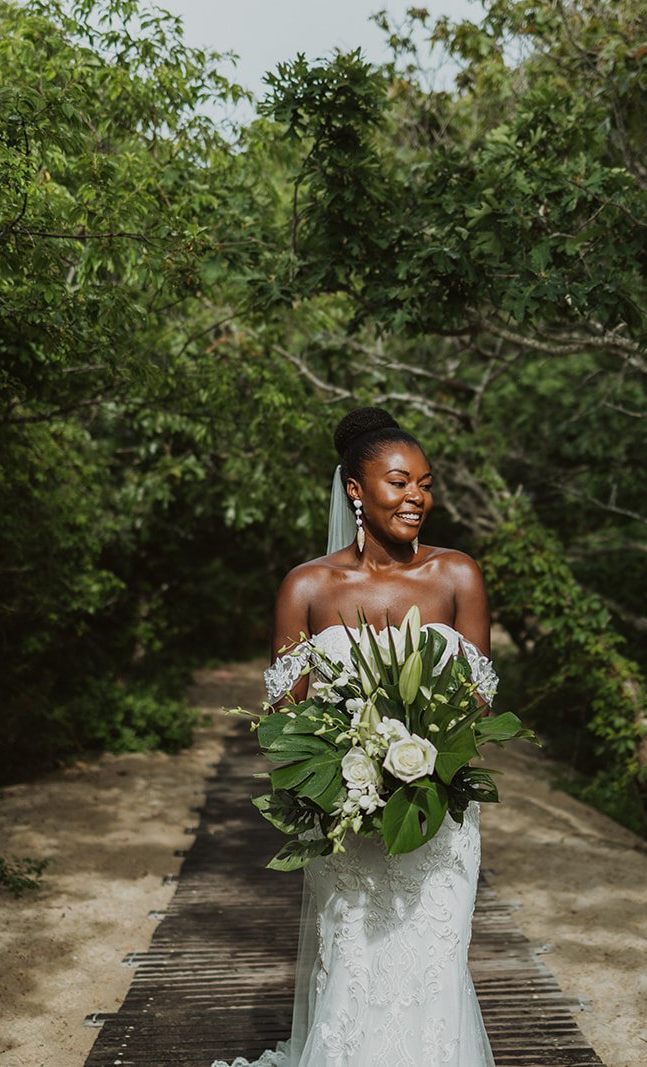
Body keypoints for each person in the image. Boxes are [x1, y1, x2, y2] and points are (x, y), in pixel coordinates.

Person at [213, 407, 498, 1067]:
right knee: (353, 959)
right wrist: (350, 769)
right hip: (345, 813)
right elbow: (284, 718)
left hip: (439, 812)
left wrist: (422, 762)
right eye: (399, 482)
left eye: (425, 482)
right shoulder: (308, 586)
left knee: (433, 958)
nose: (417, 497)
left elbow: (479, 700)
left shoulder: (458, 575)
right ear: (355, 490)